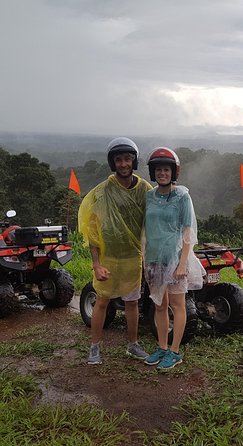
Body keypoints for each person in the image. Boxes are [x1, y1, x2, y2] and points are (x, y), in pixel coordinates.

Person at [78, 137, 153, 365]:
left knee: (132, 302)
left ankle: (132, 345)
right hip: (108, 257)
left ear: (134, 161)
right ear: (113, 163)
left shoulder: (144, 190)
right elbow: (92, 229)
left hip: (132, 256)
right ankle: (94, 348)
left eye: (127, 159)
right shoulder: (103, 192)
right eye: (118, 160)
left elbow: (156, 218)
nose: (123, 164)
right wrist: (96, 264)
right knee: (102, 301)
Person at [142, 147, 203, 370]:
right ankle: (161, 347)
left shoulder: (182, 197)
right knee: (159, 305)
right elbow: (145, 229)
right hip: (153, 259)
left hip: (175, 259)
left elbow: (188, 232)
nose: (162, 173)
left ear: (173, 172)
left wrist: (183, 262)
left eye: (166, 169)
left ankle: (175, 351)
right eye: (158, 169)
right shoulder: (149, 196)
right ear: (153, 172)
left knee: (177, 305)